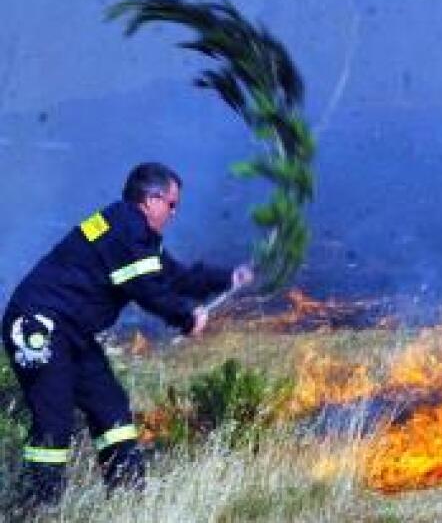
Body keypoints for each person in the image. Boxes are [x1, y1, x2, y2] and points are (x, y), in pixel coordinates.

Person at [1, 162, 253, 510]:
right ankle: (38, 510)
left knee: (111, 407)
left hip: (71, 332)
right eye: (171, 204)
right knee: (53, 421)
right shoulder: (124, 231)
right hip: (38, 325)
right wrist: (185, 317)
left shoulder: (133, 234)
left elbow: (174, 277)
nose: (174, 213)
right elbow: (145, 289)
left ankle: (128, 503)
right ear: (150, 200)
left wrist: (227, 278)